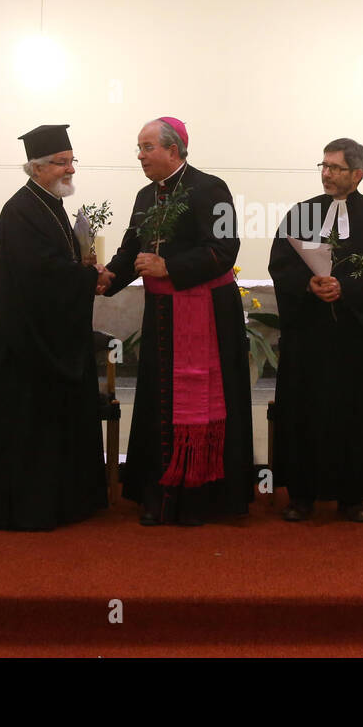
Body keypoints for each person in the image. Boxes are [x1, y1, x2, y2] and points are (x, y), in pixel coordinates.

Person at [96, 117, 254, 525]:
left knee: (202, 404)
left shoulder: (211, 188)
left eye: (147, 147)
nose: (140, 155)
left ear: (173, 149)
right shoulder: (145, 194)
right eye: (139, 147)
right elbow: (133, 246)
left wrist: (169, 266)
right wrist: (109, 277)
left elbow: (225, 249)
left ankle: (204, 496)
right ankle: (159, 494)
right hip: (162, 315)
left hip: (207, 313)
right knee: (159, 400)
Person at [0, 125, 108, 530]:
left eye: (72, 161)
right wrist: (90, 279)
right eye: (62, 163)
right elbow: (43, 276)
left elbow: (60, 265)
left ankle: (68, 502)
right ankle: (32, 509)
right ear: (37, 168)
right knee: (32, 428)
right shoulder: (21, 211)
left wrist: (85, 270)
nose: (70, 170)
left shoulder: (48, 204)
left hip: (51, 338)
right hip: (28, 347)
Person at [268, 138, 363, 522]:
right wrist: (307, 284)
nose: (327, 174)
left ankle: (353, 496)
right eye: (323, 166)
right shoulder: (302, 213)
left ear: (358, 173)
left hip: (355, 339)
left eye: (336, 168)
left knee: (355, 415)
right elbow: (281, 263)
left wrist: (346, 288)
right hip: (308, 335)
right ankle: (301, 495)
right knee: (303, 411)